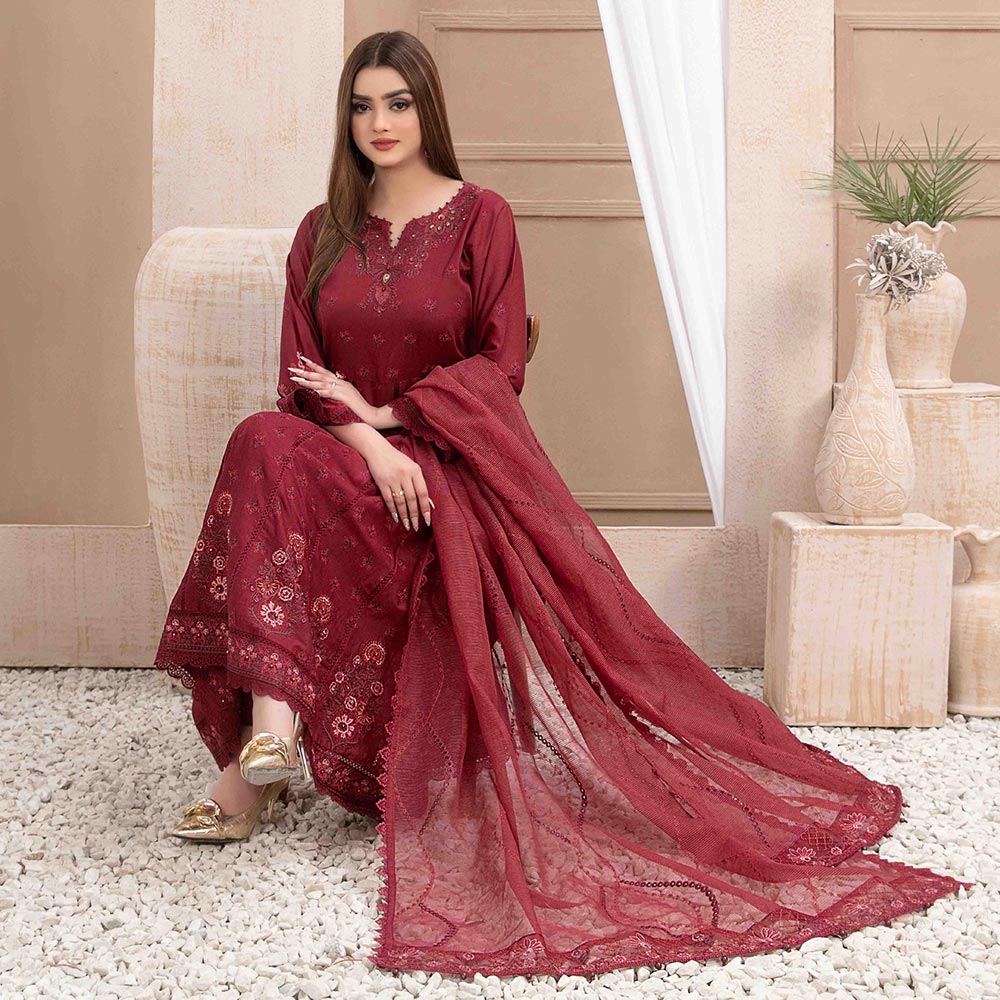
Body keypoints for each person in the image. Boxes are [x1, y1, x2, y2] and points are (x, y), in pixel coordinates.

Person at [152, 29, 975, 980]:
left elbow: (500, 365)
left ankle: (257, 768)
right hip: (349, 462)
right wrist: (370, 444)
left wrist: (395, 417)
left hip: (447, 469)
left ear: (427, 109)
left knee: (282, 464)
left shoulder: (481, 218)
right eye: (363, 106)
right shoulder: (321, 231)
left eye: (398, 103)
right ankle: (272, 733)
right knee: (260, 438)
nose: (380, 123)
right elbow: (300, 382)